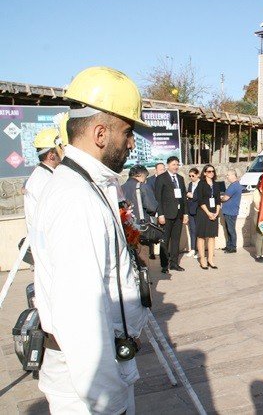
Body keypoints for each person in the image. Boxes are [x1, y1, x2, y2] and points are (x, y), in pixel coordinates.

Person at [31, 66, 148, 413]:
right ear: (100, 133)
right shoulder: (76, 199)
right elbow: (79, 316)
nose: (131, 143)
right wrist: (108, 402)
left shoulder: (86, 186)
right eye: (127, 132)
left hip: (99, 375)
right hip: (87, 391)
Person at [24, 127, 64, 231]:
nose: (63, 151)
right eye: (60, 148)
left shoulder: (45, 175)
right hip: (47, 243)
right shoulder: (44, 180)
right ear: (51, 155)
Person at [154, 156, 188, 274]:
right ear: (168, 165)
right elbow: (158, 197)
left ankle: (174, 263)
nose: (176, 167)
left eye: (177, 165)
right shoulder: (161, 178)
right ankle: (164, 265)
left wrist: (185, 213)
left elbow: (184, 197)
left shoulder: (180, 178)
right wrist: (160, 214)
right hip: (166, 215)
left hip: (178, 214)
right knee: (165, 240)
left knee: (176, 240)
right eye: (173, 164)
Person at [195, 164, 221, 269]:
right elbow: (200, 200)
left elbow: (218, 199)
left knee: (212, 236)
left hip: (214, 212)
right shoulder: (201, 184)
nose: (211, 173)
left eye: (212, 171)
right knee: (201, 236)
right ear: (204, 173)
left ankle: (210, 259)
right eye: (209, 171)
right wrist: (208, 213)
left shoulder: (216, 185)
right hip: (203, 212)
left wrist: (216, 212)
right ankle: (202, 259)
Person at [221, 169, 242, 253]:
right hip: (229, 211)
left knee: (231, 230)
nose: (227, 176)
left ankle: (233, 247)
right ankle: (229, 245)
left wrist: (220, 199)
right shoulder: (234, 185)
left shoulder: (234, 186)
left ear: (233, 175)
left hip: (231, 211)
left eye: (228, 175)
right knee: (229, 229)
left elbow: (226, 198)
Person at [186, 167, 200, 258]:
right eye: (190, 176)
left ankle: (199, 250)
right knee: (192, 230)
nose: (191, 177)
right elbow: (187, 195)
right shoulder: (190, 184)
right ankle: (193, 249)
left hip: (199, 210)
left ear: (198, 174)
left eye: (193, 175)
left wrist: (192, 196)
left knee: (199, 231)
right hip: (191, 210)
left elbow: (199, 197)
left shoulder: (202, 184)